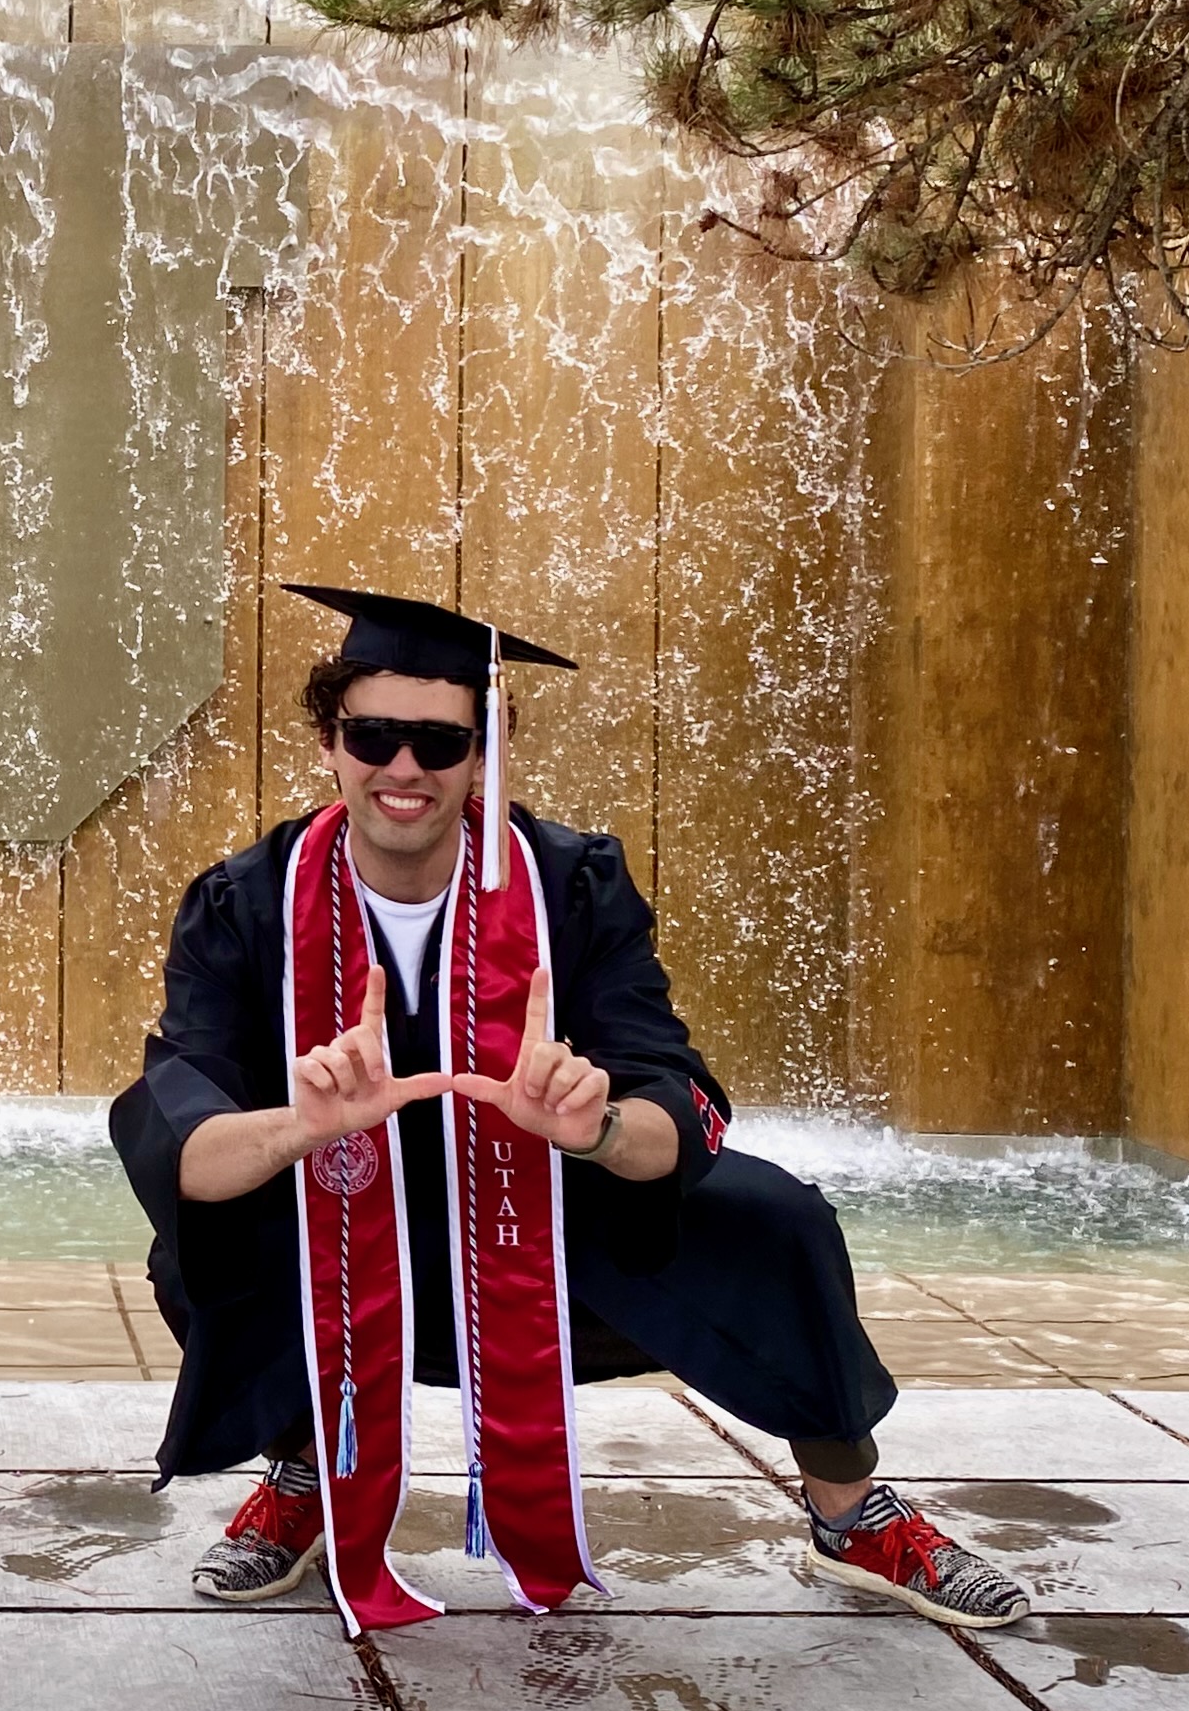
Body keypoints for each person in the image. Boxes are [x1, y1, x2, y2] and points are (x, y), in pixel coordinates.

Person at [110, 583, 1031, 1630]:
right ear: (328, 738)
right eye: (373, 733)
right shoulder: (249, 900)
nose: (403, 767)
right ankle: (312, 1465)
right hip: (342, 1217)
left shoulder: (570, 885)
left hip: (541, 1218)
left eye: (436, 741)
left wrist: (590, 1123)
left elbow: (669, 1088)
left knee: (774, 1218)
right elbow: (176, 1122)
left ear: (486, 747)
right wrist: (299, 1125)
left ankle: (850, 1513)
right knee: (210, 1233)